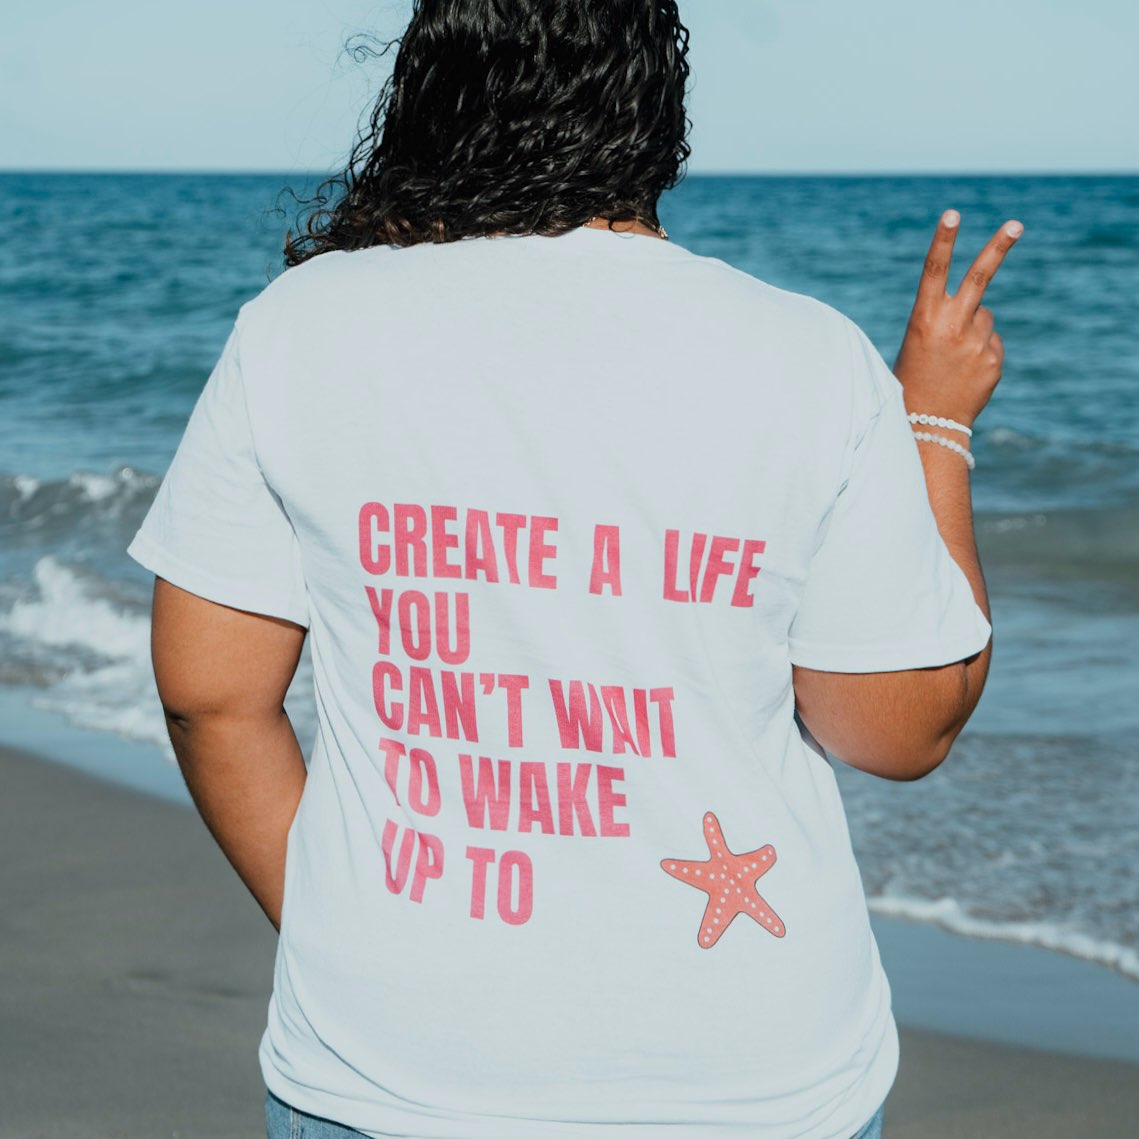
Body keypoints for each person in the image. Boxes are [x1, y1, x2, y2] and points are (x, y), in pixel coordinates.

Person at [126, 3, 1021, 1137]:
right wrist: (932, 424)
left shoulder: (299, 329)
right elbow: (895, 730)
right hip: (745, 1078)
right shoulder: (802, 356)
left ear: (426, 95)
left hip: (384, 1071)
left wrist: (344, 932)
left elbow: (210, 694)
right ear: (658, 109)